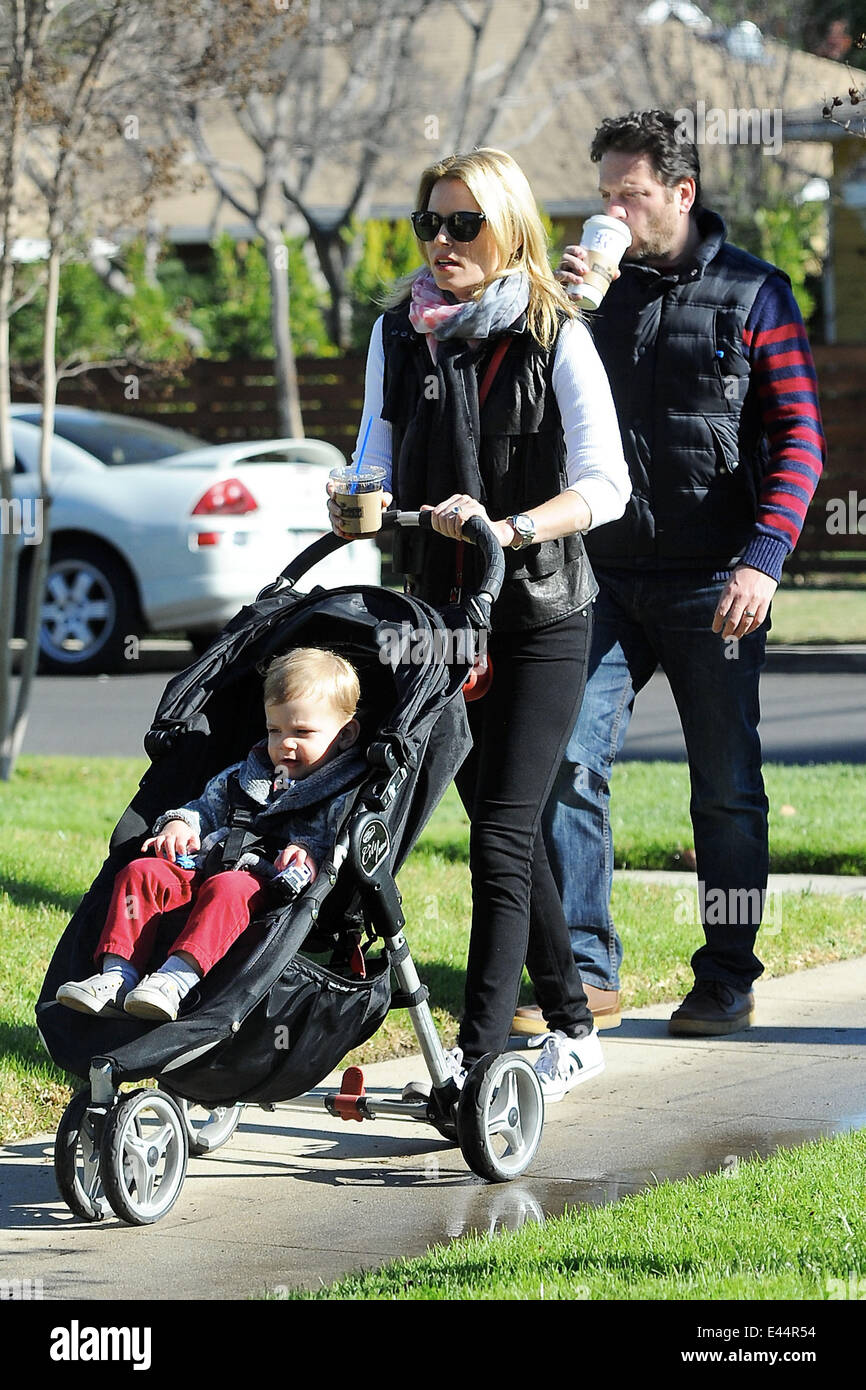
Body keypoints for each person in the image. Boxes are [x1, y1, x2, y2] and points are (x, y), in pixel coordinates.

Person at [515, 110, 825, 1040]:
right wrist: (557, 315)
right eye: (602, 192)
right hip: (600, 575)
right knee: (567, 756)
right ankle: (589, 971)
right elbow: (540, 415)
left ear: (680, 194)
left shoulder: (755, 294)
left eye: (629, 195)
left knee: (724, 783)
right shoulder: (582, 300)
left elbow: (801, 441)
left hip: (715, 580)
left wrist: (763, 560)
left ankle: (728, 974)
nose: (609, 209)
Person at [329, 147, 631, 1102]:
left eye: (465, 224)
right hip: (435, 615)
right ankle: (574, 1025)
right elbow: (375, 447)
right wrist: (357, 497)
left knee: (502, 831)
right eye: (431, 223)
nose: (444, 242)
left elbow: (607, 485)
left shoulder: (554, 334)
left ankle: (480, 1054)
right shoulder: (399, 333)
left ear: (509, 229)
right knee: (506, 825)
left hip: (540, 611)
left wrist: (511, 528)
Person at [56, 647, 364, 1023]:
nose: (285, 743)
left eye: (302, 732)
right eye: (274, 730)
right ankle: (116, 975)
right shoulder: (245, 775)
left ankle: (175, 980)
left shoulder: (342, 793)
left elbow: (339, 846)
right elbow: (204, 807)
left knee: (230, 888)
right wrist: (180, 824)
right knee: (140, 873)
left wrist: (309, 855)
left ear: (346, 734)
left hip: (262, 891)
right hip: (202, 866)